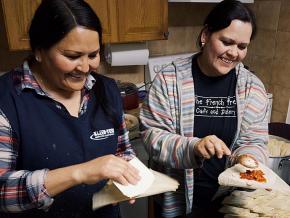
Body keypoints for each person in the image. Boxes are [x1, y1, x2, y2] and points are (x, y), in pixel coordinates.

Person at [0, 0, 140, 217]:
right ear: (39, 51)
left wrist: (130, 177)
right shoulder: (7, 100)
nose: (85, 68)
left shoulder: (108, 90)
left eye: (93, 55)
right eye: (72, 56)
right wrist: (80, 172)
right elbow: (2, 192)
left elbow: (123, 150)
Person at [140, 0, 269, 217]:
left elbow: (254, 141)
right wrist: (194, 147)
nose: (234, 53)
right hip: (178, 199)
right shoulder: (170, 79)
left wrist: (245, 157)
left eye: (242, 46)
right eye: (227, 42)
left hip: (231, 202)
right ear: (205, 35)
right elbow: (152, 136)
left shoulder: (252, 87)